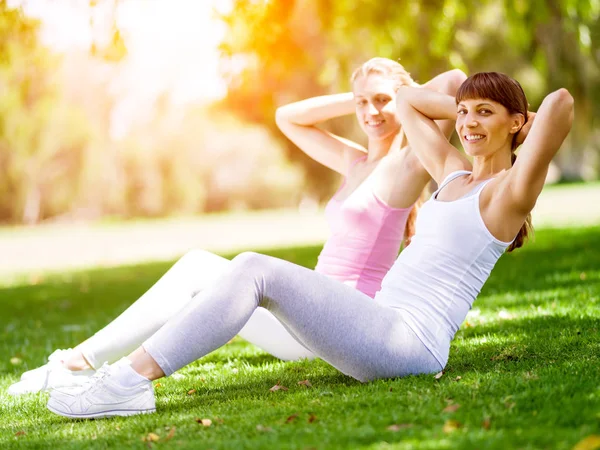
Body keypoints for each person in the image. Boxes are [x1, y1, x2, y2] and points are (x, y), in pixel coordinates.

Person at [45, 71, 573, 419]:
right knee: (232, 273)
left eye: (486, 113)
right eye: (464, 113)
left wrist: (508, 115)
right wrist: (466, 105)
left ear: (517, 123)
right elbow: (410, 99)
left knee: (256, 269)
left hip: (409, 342)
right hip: (379, 323)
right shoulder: (452, 174)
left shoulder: (508, 194)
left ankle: (126, 383)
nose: (468, 122)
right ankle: (114, 375)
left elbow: (560, 102)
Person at [9, 58, 464, 396]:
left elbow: (456, 82)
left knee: (211, 270)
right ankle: (77, 363)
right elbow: (289, 117)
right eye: (362, 104)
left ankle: (84, 369)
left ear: (404, 102)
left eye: (382, 102)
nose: (371, 113)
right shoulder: (354, 160)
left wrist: (399, 96)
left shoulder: (408, 165)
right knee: (197, 267)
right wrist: (360, 93)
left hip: (345, 324)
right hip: (308, 314)